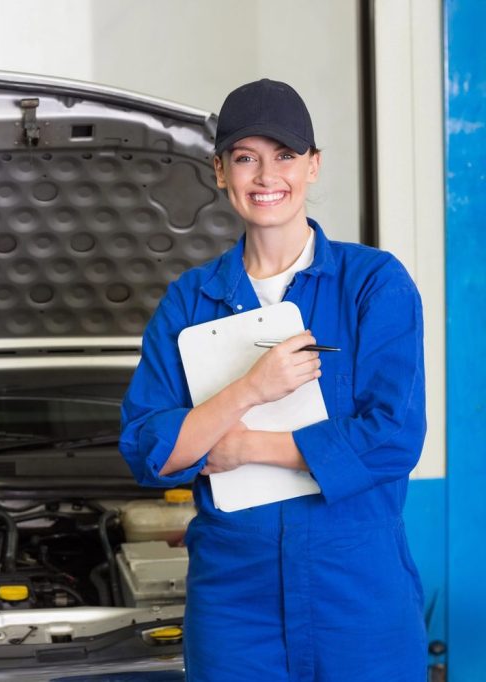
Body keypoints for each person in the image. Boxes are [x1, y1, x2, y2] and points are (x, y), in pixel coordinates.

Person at [119, 79, 426, 681]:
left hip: (358, 594)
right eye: (245, 158)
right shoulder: (189, 302)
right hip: (236, 602)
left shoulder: (373, 284)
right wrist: (250, 390)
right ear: (219, 172)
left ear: (313, 166)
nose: (267, 176)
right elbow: (150, 451)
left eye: (285, 155)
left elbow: (393, 436)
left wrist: (245, 446)